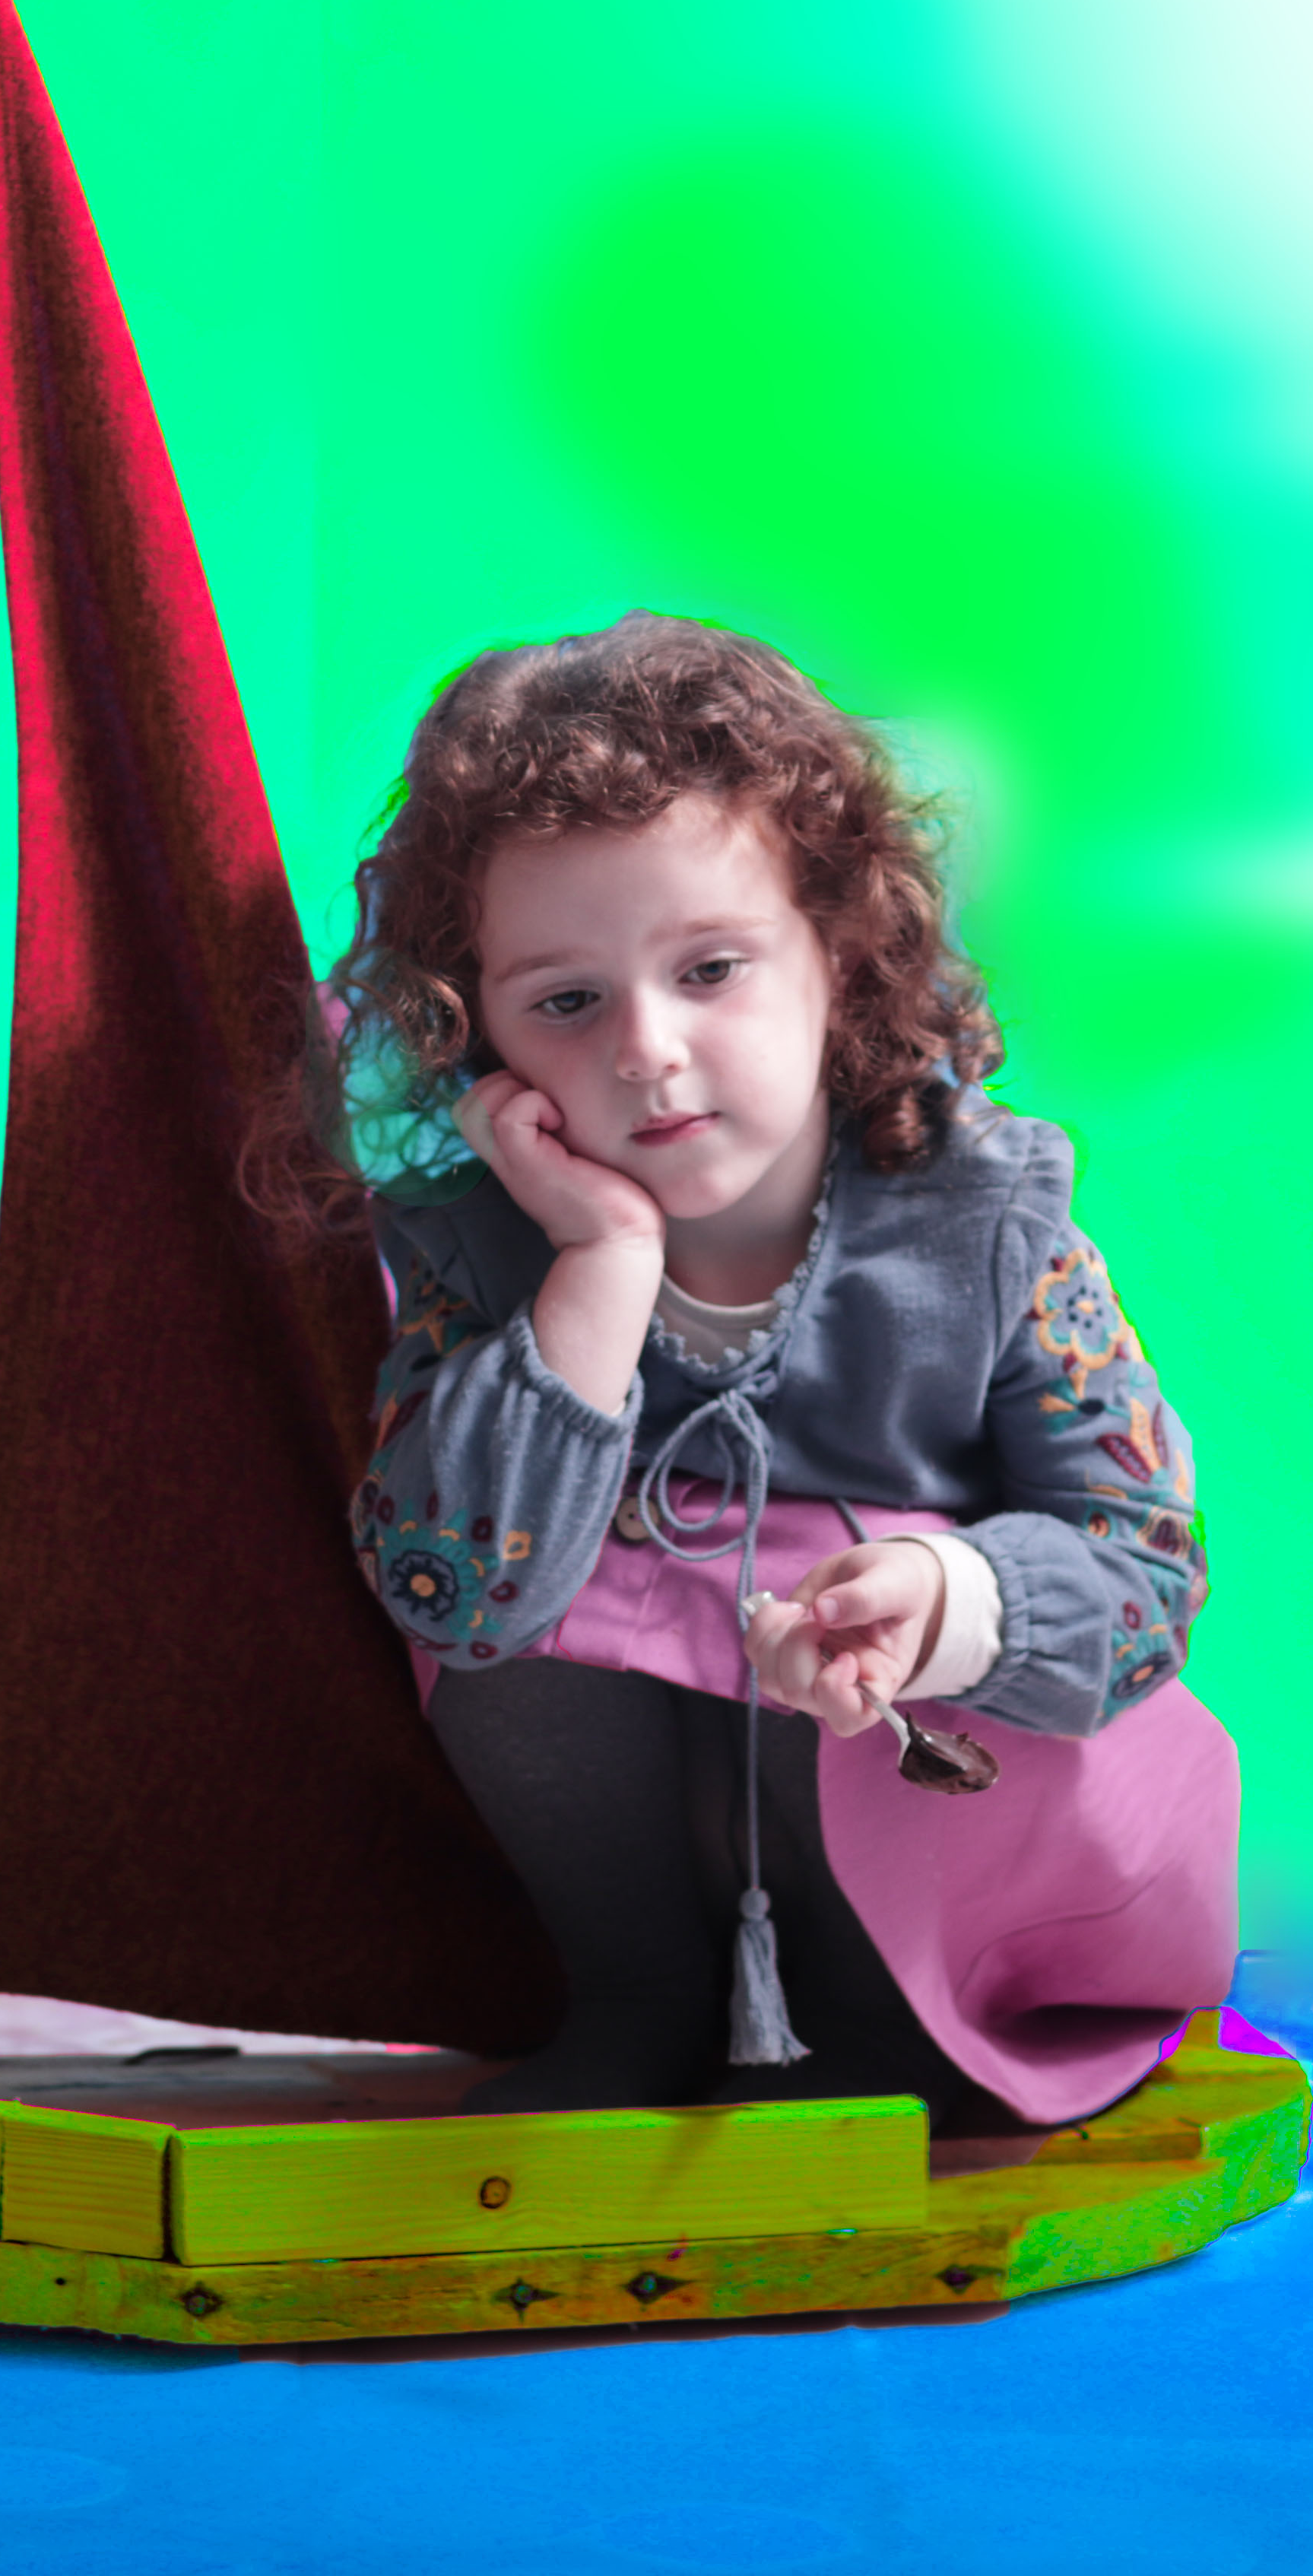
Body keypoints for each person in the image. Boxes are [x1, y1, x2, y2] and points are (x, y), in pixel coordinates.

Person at [292, 616, 1238, 2128]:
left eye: (710, 968)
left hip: (958, 1829)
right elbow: (450, 1588)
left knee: (829, 1581)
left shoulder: (991, 1222)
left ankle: (891, 2030)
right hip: (671, 1868)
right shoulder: (487, 1249)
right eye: (565, 1002)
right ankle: (645, 2006)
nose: (647, 1050)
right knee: (533, 1586)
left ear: (838, 955)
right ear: (479, 1037)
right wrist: (599, 1261)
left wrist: (945, 1602)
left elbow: (1146, 1575)